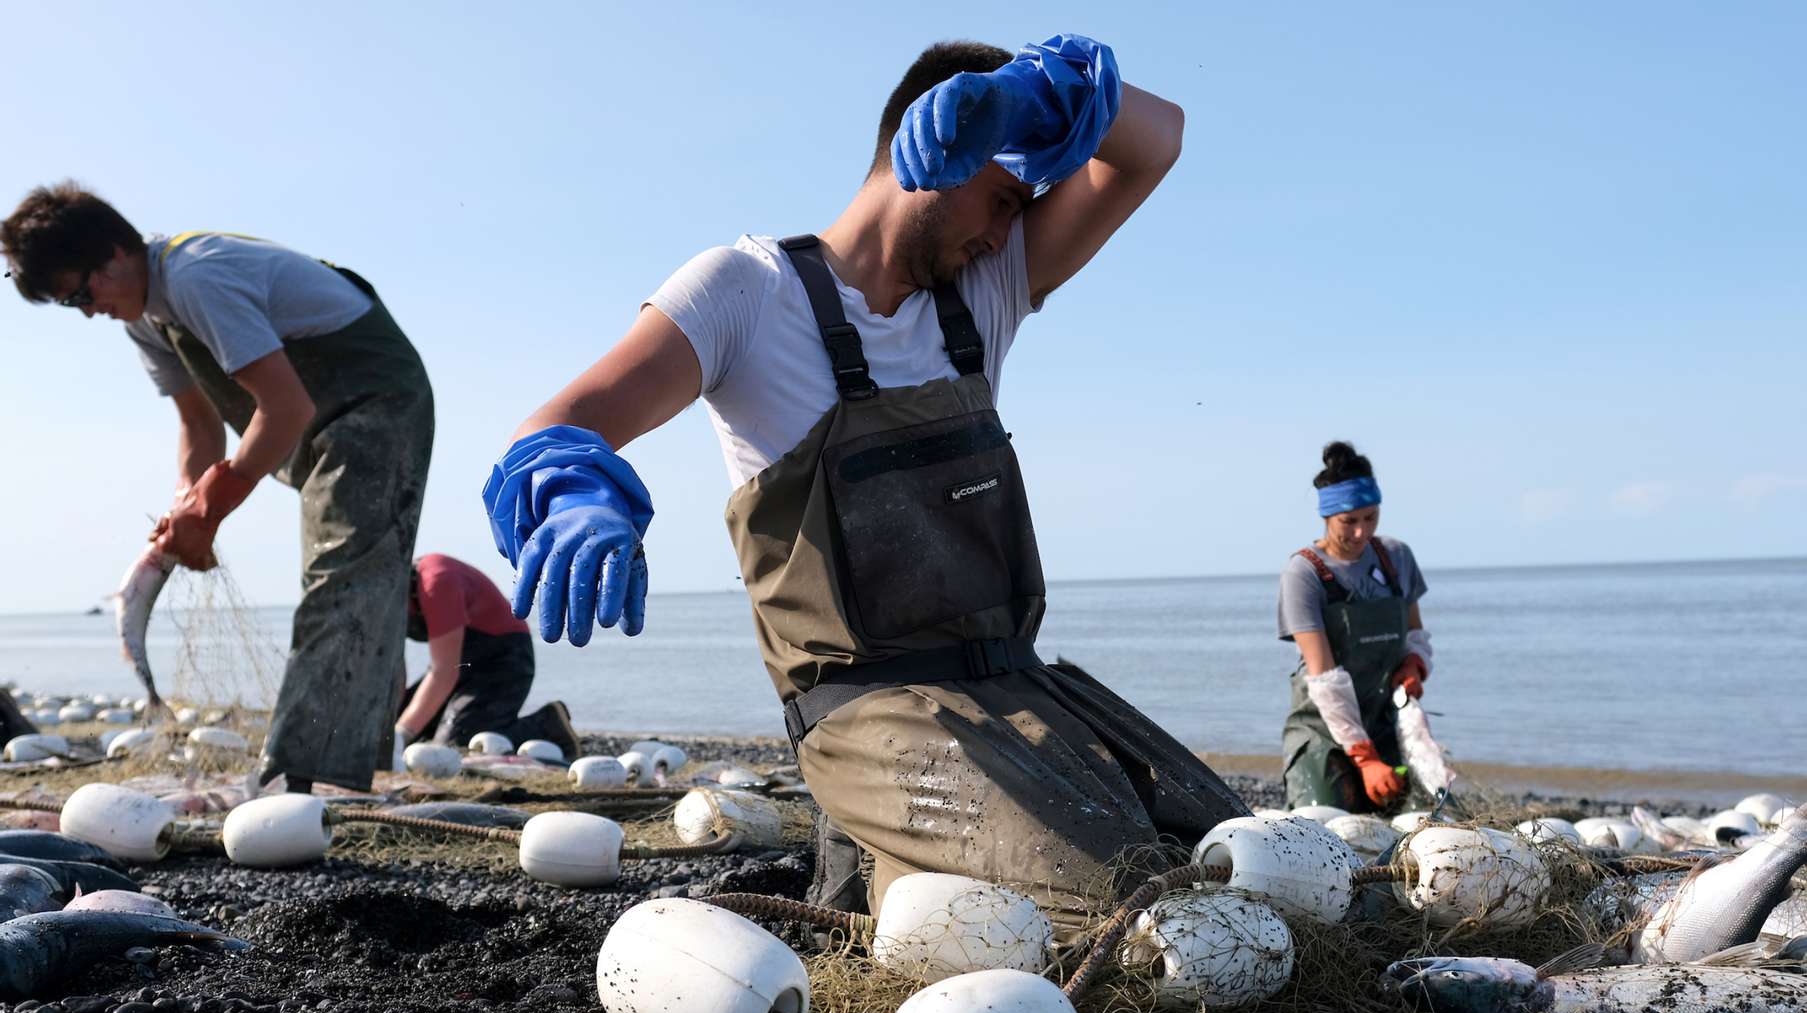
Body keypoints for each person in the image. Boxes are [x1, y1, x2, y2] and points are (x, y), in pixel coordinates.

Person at [482, 34, 1245, 926]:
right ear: (930, 155)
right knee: (1118, 909)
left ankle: (873, 876)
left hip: (1020, 690)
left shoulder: (985, 291)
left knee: (1233, 857)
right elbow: (561, 421)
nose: (1007, 232)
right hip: (868, 716)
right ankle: (886, 875)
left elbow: (1157, 137)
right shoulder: (748, 290)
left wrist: (1024, 99)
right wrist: (577, 496)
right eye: (1001, 199)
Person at [1, 185, 433, 794]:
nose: (86, 311)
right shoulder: (148, 319)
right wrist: (185, 509)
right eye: (68, 305)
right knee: (355, 579)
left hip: (376, 400)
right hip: (317, 420)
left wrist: (215, 503)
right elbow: (198, 425)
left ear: (115, 252)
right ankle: (343, 761)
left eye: (80, 292)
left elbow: (284, 405)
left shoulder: (199, 276)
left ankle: (306, 778)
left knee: (345, 575)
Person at [1277, 441, 1433, 811]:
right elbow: (1323, 675)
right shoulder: (1304, 573)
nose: (1362, 533)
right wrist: (1365, 759)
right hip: (1323, 729)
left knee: (1427, 816)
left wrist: (1415, 665)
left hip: (1386, 722)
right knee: (1326, 823)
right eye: (1349, 522)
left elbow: (1415, 634)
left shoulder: (1396, 557)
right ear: (1327, 517)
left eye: (1371, 518)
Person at [395, 553, 580, 761]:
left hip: (504, 658)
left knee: (455, 745)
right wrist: (394, 722)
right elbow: (394, 671)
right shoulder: (387, 598)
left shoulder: (437, 582)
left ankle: (546, 725)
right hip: (462, 662)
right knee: (401, 723)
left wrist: (402, 734)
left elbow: (444, 672)